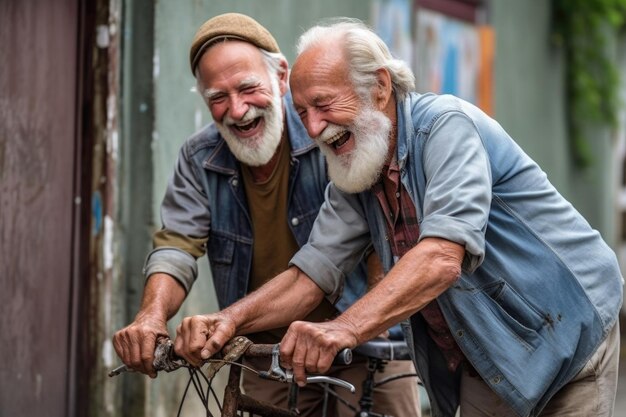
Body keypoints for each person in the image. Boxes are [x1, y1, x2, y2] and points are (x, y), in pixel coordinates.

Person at [172, 18, 624, 417]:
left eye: (325, 104)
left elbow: (442, 256)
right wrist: (229, 320)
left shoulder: (445, 126)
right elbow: (312, 271)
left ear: (380, 88)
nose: (312, 129)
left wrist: (342, 329)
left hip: (566, 325)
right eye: (303, 112)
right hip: (491, 348)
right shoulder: (356, 168)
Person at [112, 13, 421, 417]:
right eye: (217, 97)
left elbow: (383, 217)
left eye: (247, 88)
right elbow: (177, 246)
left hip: (365, 345)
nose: (237, 110)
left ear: (280, 77)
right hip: (265, 353)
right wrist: (151, 316)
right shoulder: (199, 158)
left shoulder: (329, 131)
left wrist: (369, 318)